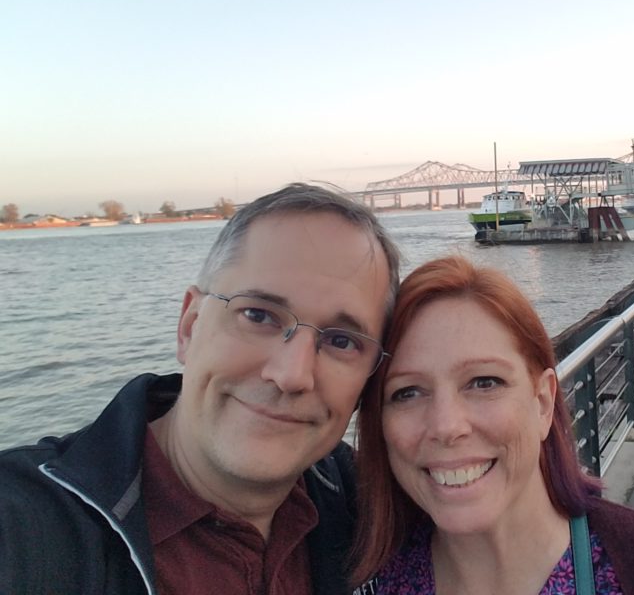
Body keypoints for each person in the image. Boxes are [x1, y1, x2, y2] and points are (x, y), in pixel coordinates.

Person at [0, 182, 401, 595]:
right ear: (189, 327)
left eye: (341, 341)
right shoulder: (21, 526)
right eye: (258, 315)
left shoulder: (370, 506)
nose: (291, 374)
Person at [352, 256, 634, 594]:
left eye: (484, 382)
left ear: (542, 402)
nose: (446, 425)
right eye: (407, 392)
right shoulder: (358, 572)